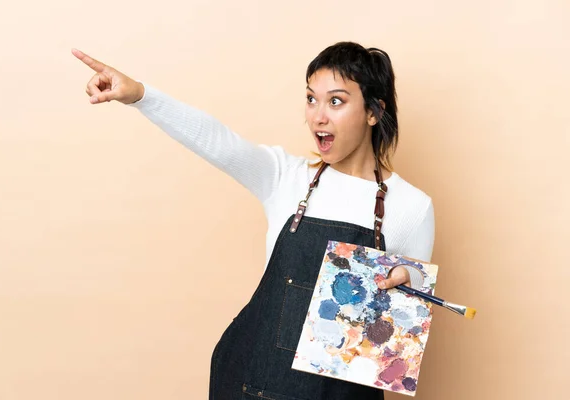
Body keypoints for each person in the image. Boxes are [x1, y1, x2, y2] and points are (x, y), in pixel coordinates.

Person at [72, 41, 434, 399]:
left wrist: (411, 284)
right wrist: (139, 95)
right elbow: (215, 140)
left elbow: (395, 349)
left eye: (335, 101)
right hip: (252, 386)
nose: (317, 116)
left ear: (373, 111)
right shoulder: (285, 178)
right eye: (311, 99)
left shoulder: (411, 207)